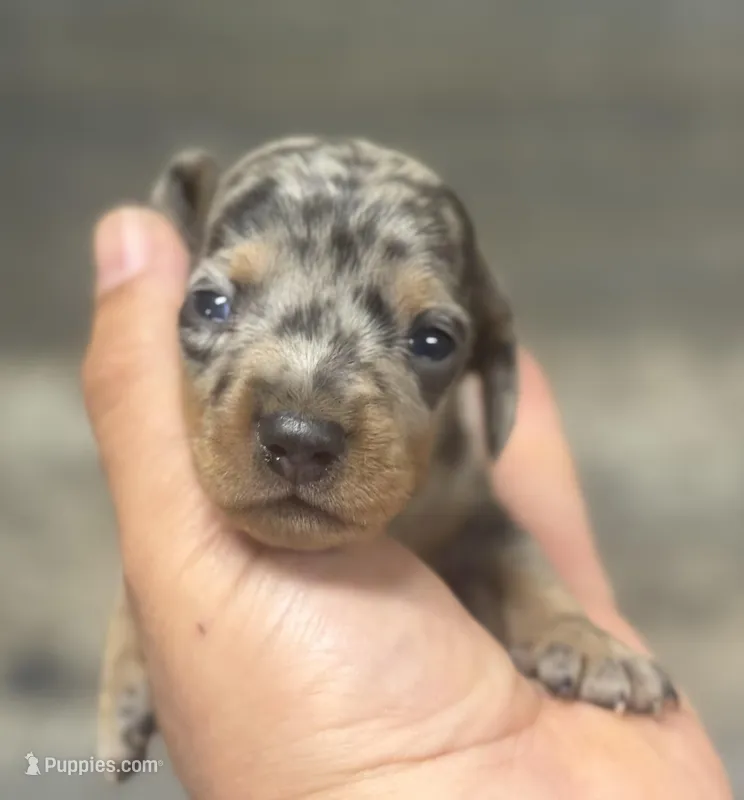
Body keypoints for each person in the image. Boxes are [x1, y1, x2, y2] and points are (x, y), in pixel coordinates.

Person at [82, 207, 732, 799]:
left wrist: (560, 626)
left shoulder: (456, 476)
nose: (302, 430)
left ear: (488, 368)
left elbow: (491, 539)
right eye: (217, 303)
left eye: (429, 342)